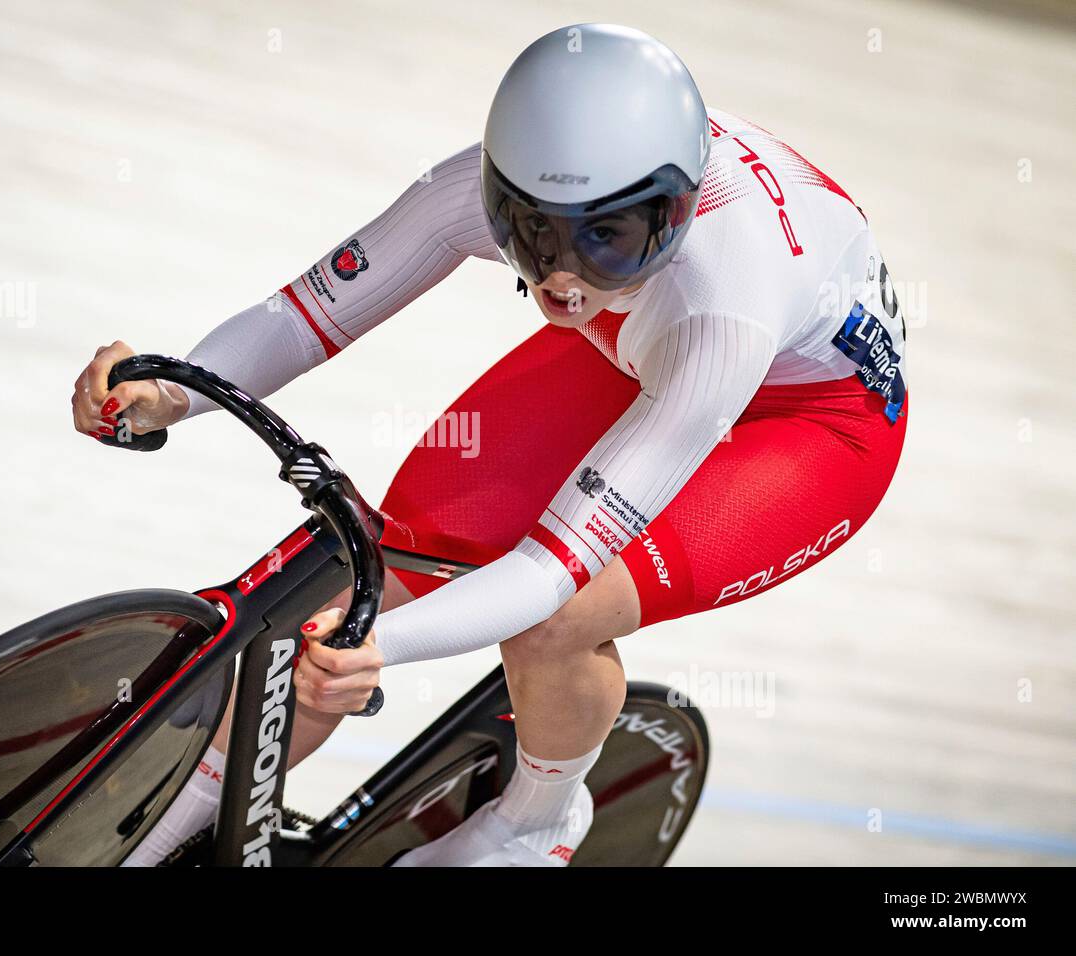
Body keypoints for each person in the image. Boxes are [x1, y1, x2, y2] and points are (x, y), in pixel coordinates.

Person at [73, 23, 909, 867]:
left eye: (604, 239)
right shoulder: (486, 191)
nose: (562, 279)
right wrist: (171, 391)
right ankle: (168, 826)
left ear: (676, 213)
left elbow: (549, 570)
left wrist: (381, 647)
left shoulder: (722, 303)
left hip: (814, 422)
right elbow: (305, 314)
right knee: (382, 562)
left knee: (559, 619)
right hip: (647, 340)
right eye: (534, 233)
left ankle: (537, 824)